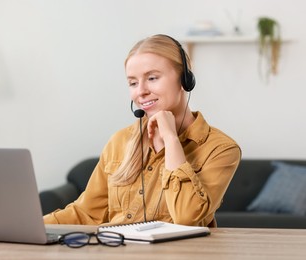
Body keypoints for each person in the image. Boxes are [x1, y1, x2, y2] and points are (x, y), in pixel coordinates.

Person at [43, 34, 241, 227]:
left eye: (152, 78)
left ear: (184, 79)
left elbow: (187, 217)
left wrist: (171, 140)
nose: (141, 91)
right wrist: (31, 225)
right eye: (133, 83)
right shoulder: (120, 141)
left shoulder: (221, 149)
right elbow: (86, 213)